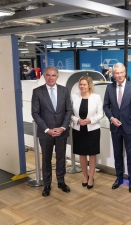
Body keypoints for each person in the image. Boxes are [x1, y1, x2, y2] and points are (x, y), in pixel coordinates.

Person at [31, 66, 73, 197]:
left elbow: (69, 111)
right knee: (46, 159)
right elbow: (35, 113)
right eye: (48, 75)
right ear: (44, 76)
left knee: (61, 159)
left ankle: (61, 182)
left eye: (53, 75)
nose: (51, 78)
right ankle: (47, 184)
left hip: (61, 132)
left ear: (57, 77)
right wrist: (47, 130)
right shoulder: (37, 92)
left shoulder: (65, 91)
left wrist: (63, 127)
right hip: (46, 133)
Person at [103, 63, 131, 193]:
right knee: (117, 154)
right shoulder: (109, 88)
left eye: (121, 73)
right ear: (113, 74)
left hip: (129, 128)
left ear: (125, 73)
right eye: (116, 73)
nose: (119, 75)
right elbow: (105, 106)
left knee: (130, 155)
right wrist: (111, 118)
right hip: (115, 127)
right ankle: (119, 178)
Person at [71, 76, 104, 190]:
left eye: (84, 84)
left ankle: (91, 178)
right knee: (82, 154)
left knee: (92, 154)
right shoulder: (75, 97)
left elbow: (100, 114)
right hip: (78, 129)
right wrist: (77, 120)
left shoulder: (96, 97)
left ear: (89, 85)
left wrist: (90, 120)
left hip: (92, 129)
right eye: (80, 84)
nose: (82, 87)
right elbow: (69, 114)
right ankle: (85, 176)